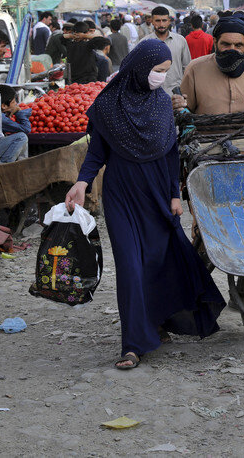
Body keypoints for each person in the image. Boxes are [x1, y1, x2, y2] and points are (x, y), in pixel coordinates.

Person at [65, 40, 225, 370]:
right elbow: (97, 152)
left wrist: (175, 195)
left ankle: (158, 321)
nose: (160, 78)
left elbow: (169, 153)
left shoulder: (162, 104)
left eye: (165, 73)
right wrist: (82, 182)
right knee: (130, 267)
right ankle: (133, 345)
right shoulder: (108, 104)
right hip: (121, 194)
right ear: (139, 67)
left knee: (158, 260)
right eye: (157, 71)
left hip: (157, 193)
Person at [176, 14, 244, 115]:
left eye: (238, 45)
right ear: (216, 43)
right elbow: (186, 110)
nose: (232, 50)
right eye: (226, 44)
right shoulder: (195, 69)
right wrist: (178, 105)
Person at [141, 6, 190, 95]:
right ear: (152, 21)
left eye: (164, 20)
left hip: (176, 93)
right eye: (157, 21)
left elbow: (186, 67)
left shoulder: (180, 40)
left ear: (169, 21)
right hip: (152, 95)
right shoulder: (144, 43)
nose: (161, 24)